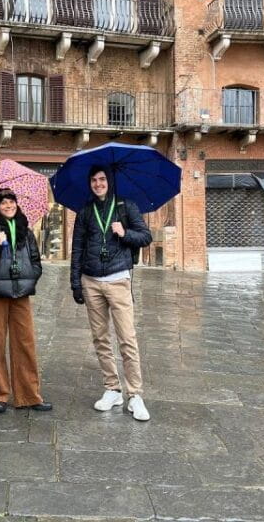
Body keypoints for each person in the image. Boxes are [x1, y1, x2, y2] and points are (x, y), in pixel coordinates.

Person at [70, 166, 153, 422]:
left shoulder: (126, 206)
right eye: (93, 180)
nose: (98, 183)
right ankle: (112, 389)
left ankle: (135, 395)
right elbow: (77, 249)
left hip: (118, 279)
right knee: (101, 338)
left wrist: (124, 233)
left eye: (102, 179)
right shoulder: (85, 211)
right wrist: (76, 283)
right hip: (91, 280)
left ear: (110, 181)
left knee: (127, 338)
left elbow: (145, 237)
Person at [0, 188, 52, 414]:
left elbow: (36, 260)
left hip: (21, 295)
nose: (8, 205)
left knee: (25, 344)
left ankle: (29, 395)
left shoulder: (25, 231)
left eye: (11, 202)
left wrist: (30, 276)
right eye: (3, 203)